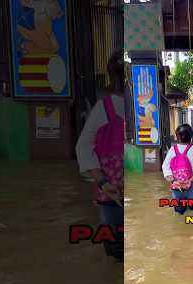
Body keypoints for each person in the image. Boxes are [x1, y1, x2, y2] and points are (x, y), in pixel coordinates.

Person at [76, 50, 124, 262]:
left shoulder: (102, 109)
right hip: (120, 194)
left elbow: (83, 147)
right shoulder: (146, 109)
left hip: (110, 193)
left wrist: (103, 183)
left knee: (115, 253)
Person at [162, 124, 193, 215]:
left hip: (177, 187)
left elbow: (165, 166)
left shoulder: (172, 149)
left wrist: (174, 181)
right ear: (191, 136)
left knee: (179, 213)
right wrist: (190, 180)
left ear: (177, 136)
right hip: (192, 186)